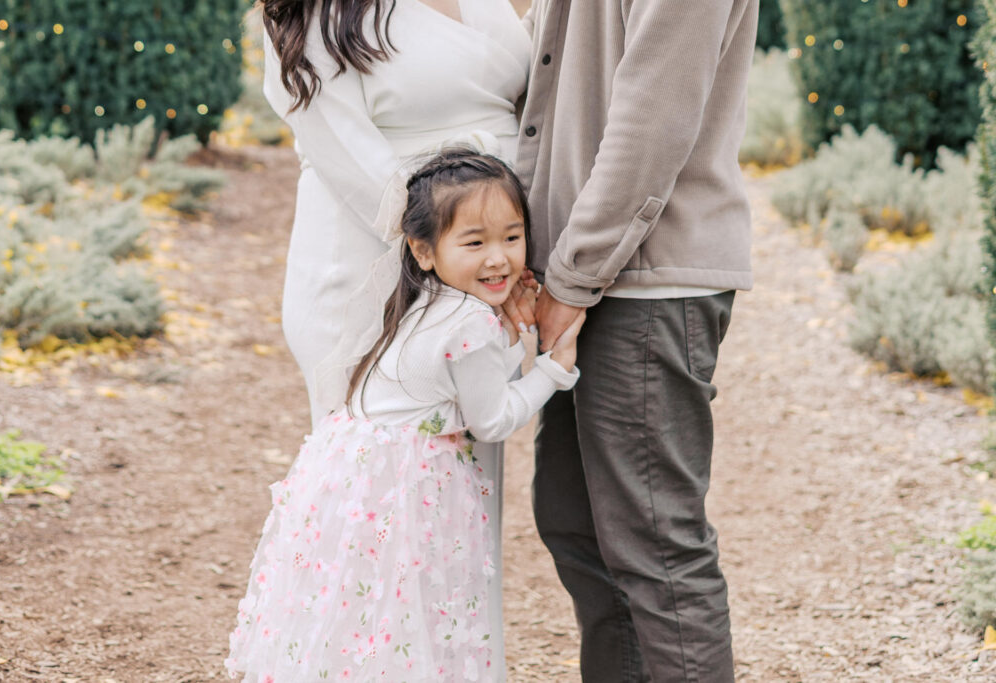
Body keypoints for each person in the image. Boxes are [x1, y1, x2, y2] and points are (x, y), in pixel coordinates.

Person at [225, 149, 583, 682]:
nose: (498, 259)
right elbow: (492, 420)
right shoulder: (471, 323)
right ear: (423, 250)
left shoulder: (429, 301)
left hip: (355, 474)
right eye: (475, 241)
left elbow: (462, 381)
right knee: (414, 610)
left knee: (363, 615)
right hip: (403, 487)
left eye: (512, 237)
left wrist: (519, 335)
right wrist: (553, 369)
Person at [258, 0, 532, 665]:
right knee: (374, 519)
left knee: (458, 509)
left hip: (473, 263)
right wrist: (450, 242)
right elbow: (343, 146)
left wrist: (498, 253)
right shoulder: (322, 12)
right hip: (371, 264)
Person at [512, 1, 758, 681]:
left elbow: (653, 119)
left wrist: (569, 276)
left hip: (644, 279)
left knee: (656, 549)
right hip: (590, 274)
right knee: (576, 524)